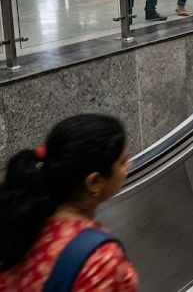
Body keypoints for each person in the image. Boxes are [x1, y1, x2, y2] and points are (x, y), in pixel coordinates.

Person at [0, 114, 138, 290]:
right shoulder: (101, 260)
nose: (130, 165)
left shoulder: (21, 225)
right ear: (94, 182)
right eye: (123, 162)